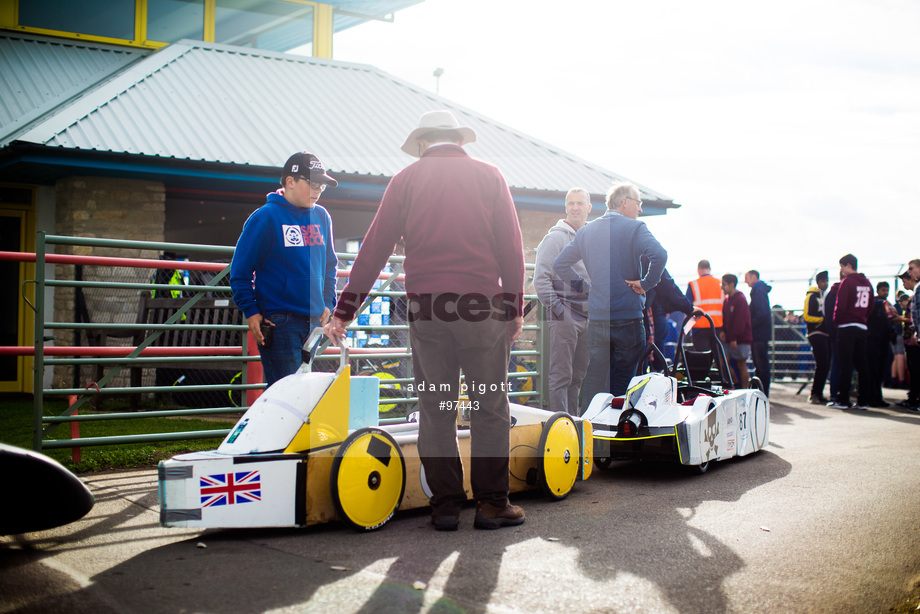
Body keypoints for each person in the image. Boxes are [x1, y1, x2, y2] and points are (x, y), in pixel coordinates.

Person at [324, 110, 526, 531]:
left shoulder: (405, 181)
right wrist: (513, 308)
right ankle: (492, 505)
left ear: (421, 143)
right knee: (489, 404)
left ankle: (446, 506)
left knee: (436, 406)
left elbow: (374, 248)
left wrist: (346, 310)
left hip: (428, 310)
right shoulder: (489, 176)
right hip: (480, 308)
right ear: (459, 140)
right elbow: (511, 247)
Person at [229, 151, 338, 387]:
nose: (319, 190)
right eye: (313, 183)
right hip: (280, 323)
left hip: (315, 320)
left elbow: (330, 264)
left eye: (322, 185)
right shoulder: (265, 217)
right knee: (288, 395)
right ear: (290, 181)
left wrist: (329, 301)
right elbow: (240, 271)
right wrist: (251, 310)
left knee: (304, 393)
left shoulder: (322, 216)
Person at [554, 181, 667, 407]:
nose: (640, 209)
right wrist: (646, 283)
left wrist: (586, 288)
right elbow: (660, 255)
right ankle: (618, 433)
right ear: (624, 202)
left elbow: (560, 265)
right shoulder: (635, 228)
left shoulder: (586, 231)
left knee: (594, 378)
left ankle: (589, 432)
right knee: (625, 380)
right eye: (638, 203)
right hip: (628, 319)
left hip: (598, 319)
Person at [533, 187, 592, 415]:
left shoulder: (591, 239)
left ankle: (573, 424)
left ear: (588, 208)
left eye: (579, 203)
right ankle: (559, 424)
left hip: (588, 317)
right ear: (566, 208)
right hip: (565, 316)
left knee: (578, 376)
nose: (575, 207)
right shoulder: (555, 238)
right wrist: (559, 311)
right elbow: (541, 280)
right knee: (561, 376)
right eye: (571, 204)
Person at [828, 254, 873, 410]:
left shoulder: (847, 282)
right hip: (861, 327)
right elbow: (870, 306)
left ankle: (842, 400)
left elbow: (840, 306)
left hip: (846, 326)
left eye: (841, 266)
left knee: (845, 364)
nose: (841, 270)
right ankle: (863, 401)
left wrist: (836, 322)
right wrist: (862, 318)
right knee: (862, 364)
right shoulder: (867, 283)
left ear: (847, 265)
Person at [866, 281, 897, 407]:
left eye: (887, 290)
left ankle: (877, 396)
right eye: (883, 290)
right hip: (874, 341)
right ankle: (872, 396)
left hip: (883, 341)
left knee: (881, 370)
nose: (886, 292)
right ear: (877, 290)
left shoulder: (886, 304)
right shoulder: (874, 304)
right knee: (873, 370)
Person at [720, 274, 752, 389]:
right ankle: (735, 384)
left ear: (731, 284)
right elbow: (725, 318)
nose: (721, 287)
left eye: (723, 284)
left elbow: (740, 321)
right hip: (730, 338)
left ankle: (744, 389)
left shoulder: (740, 299)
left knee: (741, 365)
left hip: (740, 339)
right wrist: (723, 330)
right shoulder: (727, 300)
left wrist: (734, 338)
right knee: (723, 363)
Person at [803, 271, 830, 404]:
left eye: (827, 281)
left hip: (825, 334)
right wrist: (822, 320)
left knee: (825, 364)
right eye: (823, 281)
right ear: (818, 282)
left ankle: (818, 393)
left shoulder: (826, 295)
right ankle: (814, 393)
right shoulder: (811, 295)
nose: (825, 283)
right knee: (822, 363)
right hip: (815, 333)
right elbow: (806, 315)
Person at [745, 270, 772, 395]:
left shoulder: (758, 291)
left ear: (753, 277)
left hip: (758, 334)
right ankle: (762, 391)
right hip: (760, 333)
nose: (745, 281)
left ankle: (762, 392)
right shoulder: (759, 290)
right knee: (761, 365)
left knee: (761, 365)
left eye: (747, 278)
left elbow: (761, 313)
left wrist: (750, 325)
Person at [686, 260, 723, 352]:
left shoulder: (693, 284)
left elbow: (687, 306)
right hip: (717, 326)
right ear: (709, 269)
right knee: (718, 357)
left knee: (702, 359)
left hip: (699, 327)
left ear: (699, 270)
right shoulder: (720, 283)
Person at [897, 272, 920, 411]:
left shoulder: (914, 297)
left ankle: (914, 399)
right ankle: (913, 397)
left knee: (916, 370)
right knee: (913, 370)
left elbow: (915, 317)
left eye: (905, 281)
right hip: (910, 340)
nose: (904, 285)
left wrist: (914, 333)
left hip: (914, 340)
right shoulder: (912, 297)